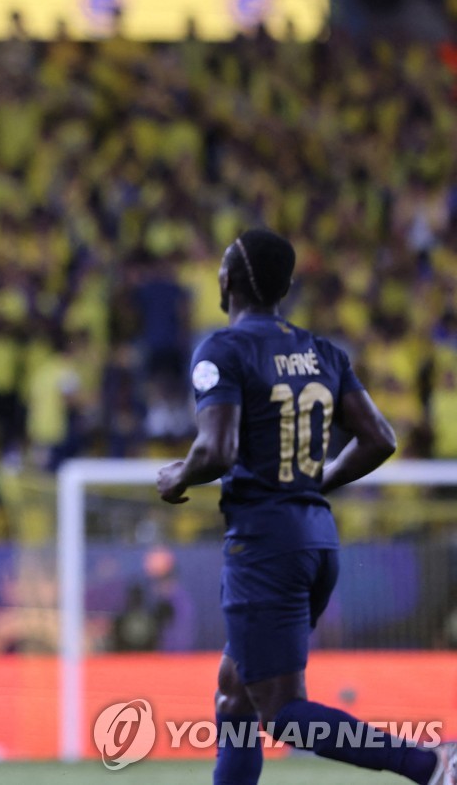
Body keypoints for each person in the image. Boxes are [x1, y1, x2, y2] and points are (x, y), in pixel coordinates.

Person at [156, 229, 454, 785]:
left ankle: (429, 763)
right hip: (316, 540)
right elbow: (380, 438)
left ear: (228, 281)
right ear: (285, 286)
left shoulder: (223, 349)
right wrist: (318, 483)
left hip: (264, 546)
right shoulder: (322, 352)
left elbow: (216, 449)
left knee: (282, 713)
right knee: (235, 695)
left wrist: (179, 474)